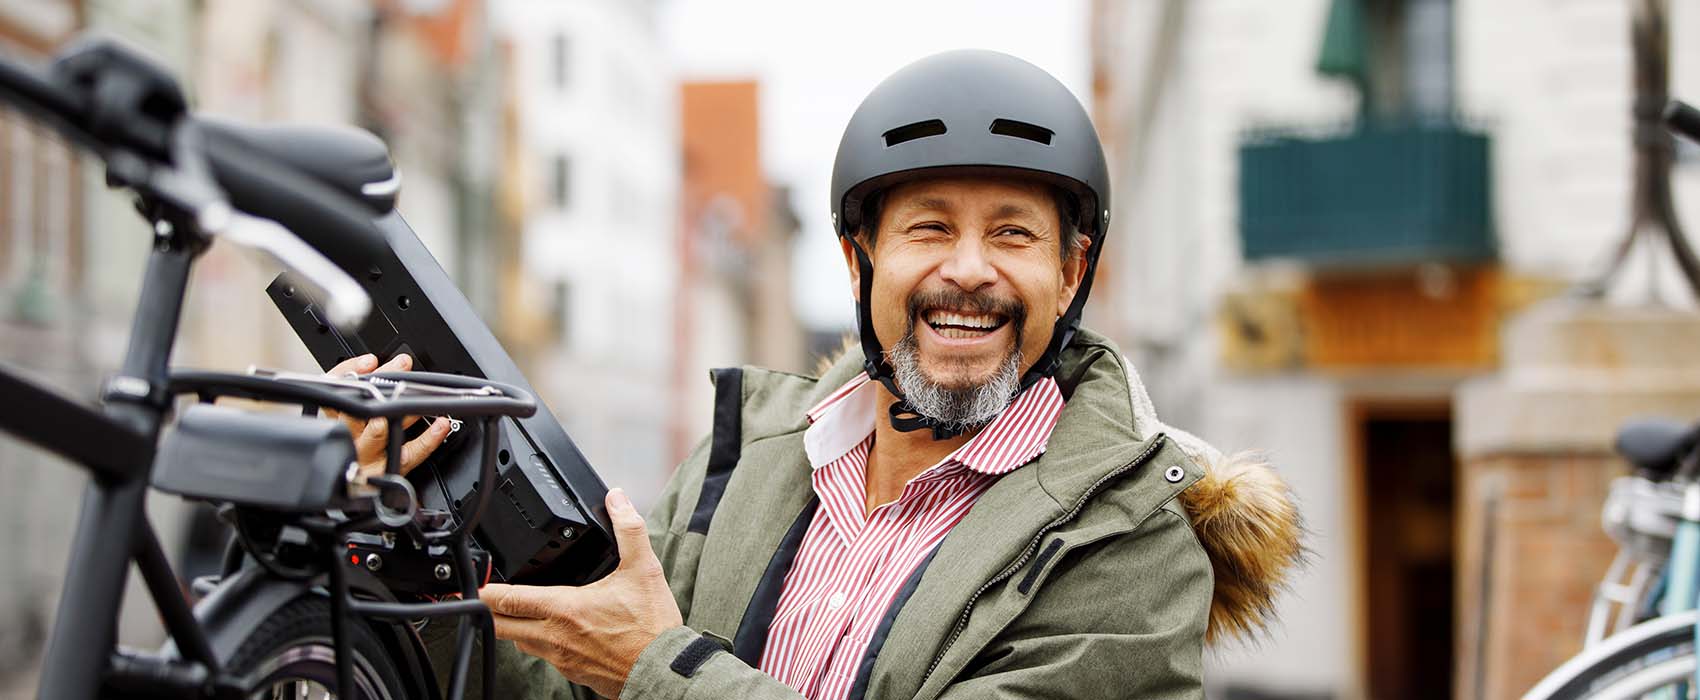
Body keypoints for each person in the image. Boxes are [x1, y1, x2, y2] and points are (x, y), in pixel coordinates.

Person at [332, 49, 1303, 699]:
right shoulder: (746, 458)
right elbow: (574, 679)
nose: (966, 267)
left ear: (1070, 271)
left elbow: (637, 670)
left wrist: (661, 672)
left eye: (1011, 232)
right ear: (857, 262)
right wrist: (414, 539)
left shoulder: (1131, 540)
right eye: (928, 228)